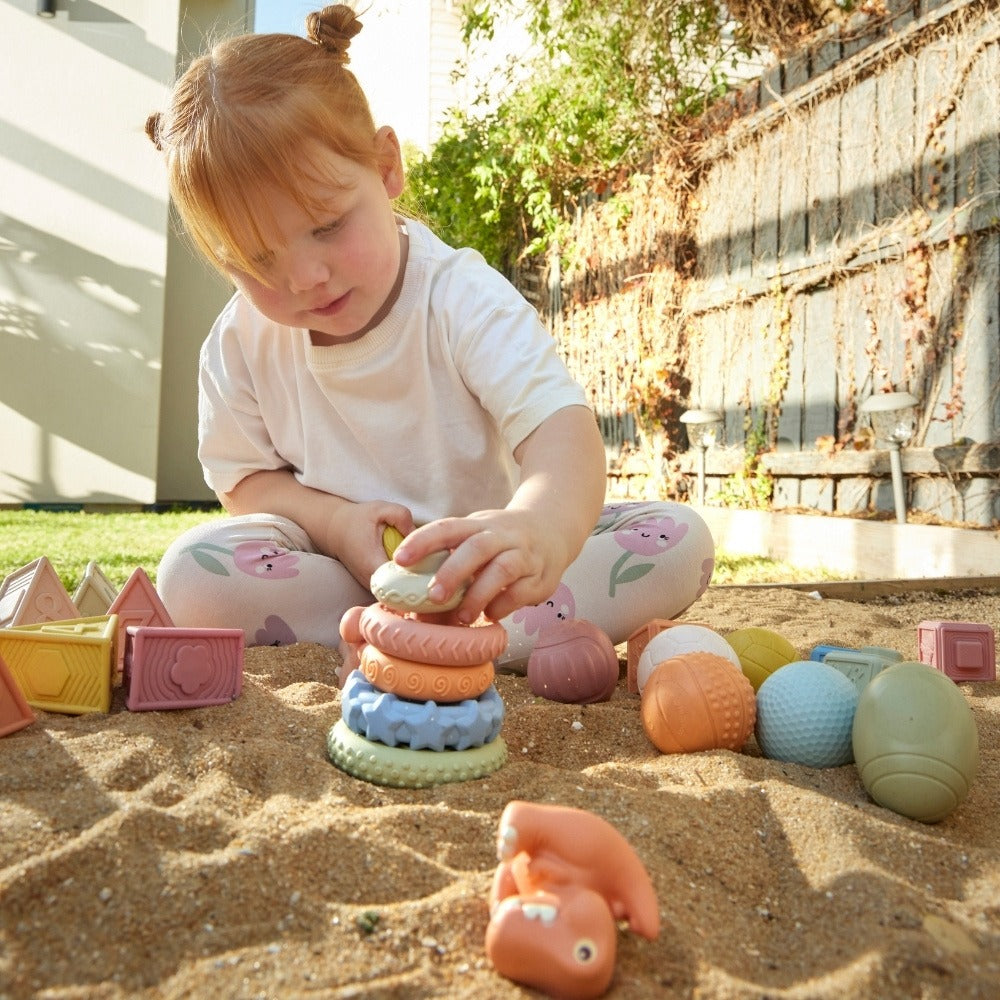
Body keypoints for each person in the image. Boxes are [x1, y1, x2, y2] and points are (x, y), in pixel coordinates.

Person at [149, 4, 715, 672]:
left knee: (679, 539)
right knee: (190, 574)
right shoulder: (240, 341)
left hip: (492, 575)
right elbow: (245, 481)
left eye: (327, 227)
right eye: (256, 262)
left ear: (386, 166)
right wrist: (334, 523)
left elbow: (562, 435)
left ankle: (419, 634)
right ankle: (425, 633)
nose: (305, 278)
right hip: (346, 574)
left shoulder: (459, 297)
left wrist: (539, 528)